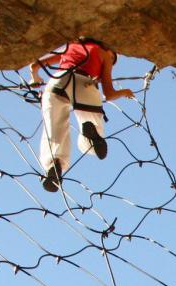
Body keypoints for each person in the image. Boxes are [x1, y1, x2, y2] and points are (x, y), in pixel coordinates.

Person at [28, 37, 135, 192]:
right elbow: (109, 93)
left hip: (57, 82)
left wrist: (35, 78)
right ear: (110, 50)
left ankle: (54, 165)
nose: (113, 60)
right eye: (114, 58)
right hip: (84, 83)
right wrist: (125, 92)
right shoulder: (105, 54)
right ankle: (91, 134)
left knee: (54, 128)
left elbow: (34, 65)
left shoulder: (72, 46)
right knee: (92, 118)